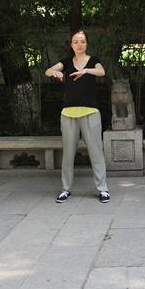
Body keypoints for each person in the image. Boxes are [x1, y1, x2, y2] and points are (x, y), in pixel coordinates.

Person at [45, 30, 110, 203]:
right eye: (76, 42)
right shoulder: (66, 62)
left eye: (82, 41)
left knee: (96, 152)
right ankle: (66, 189)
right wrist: (55, 72)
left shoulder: (93, 61)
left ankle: (103, 189)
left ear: (86, 43)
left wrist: (86, 71)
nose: (79, 44)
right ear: (71, 45)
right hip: (68, 114)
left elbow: (101, 72)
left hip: (90, 112)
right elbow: (48, 71)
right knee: (68, 154)